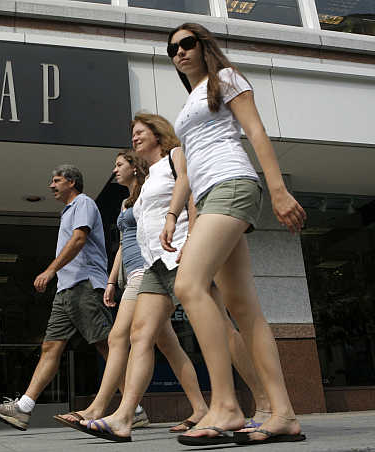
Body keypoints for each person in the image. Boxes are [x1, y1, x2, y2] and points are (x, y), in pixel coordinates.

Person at [78, 113, 271, 442]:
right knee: (141, 334)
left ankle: (265, 403)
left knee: (222, 330)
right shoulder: (149, 176)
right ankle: (124, 417)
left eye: (140, 133)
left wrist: (193, 237)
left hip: (182, 255)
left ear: (156, 134)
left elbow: (193, 193)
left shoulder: (174, 157)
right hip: (154, 265)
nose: (135, 138)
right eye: (133, 134)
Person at [164, 23, 307, 446]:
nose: (180, 52)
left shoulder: (226, 78)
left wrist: (278, 191)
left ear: (205, 46)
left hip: (234, 183)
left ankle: (225, 405)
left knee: (188, 285)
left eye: (188, 43)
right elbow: (190, 170)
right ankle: (282, 413)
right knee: (243, 308)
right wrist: (179, 218)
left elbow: (256, 131)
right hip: (210, 197)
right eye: (173, 49)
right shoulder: (191, 99)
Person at [54, 151, 207, 432]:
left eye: (119, 165)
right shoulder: (126, 202)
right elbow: (126, 243)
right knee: (169, 346)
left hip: (149, 269)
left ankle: (100, 407)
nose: (114, 171)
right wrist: (112, 281)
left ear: (135, 168)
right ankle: (200, 409)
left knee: (118, 336)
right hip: (135, 274)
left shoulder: (150, 192)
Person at [0, 165, 114, 431]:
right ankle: (24, 408)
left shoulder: (84, 203)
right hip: (65, 290)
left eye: (56, 181)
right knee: (50, 347)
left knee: (104, 344)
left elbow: (79, 239)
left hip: (85, 284)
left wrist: (51, 269)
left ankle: (133, 408)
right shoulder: (67, 211)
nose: (51, 186)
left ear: (71, 182)